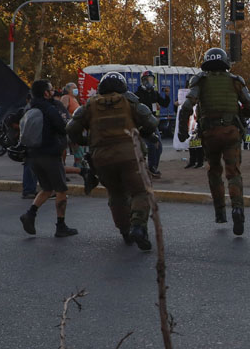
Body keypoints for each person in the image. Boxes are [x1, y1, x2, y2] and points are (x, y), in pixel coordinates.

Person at [67, 72, 158, 250]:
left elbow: (71, 129)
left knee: (116, 195)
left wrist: (88, 141)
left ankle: (125, 230)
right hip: (131, 156)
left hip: (102, 159)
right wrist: (144, 133)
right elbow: (151, 123)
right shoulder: (129, 101)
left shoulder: (89, 105)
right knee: (141, 192)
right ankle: (138, 226)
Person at [177, 47, 250, 235]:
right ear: (225, 62)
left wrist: (181, 132)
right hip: (231, 133)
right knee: (233, 172)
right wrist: (241, 116)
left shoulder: (200, 81)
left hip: (209, 134)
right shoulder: (235, 81)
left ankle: (220, 212)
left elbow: (187, 106)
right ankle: (237, 209)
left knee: (214, 172)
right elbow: (249, 105)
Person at [19, 79, 78, 238]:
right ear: (46, 93)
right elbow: (62, 126)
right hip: (50, 154)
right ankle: (61, 225)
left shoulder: (30, 107)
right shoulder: (50, 108)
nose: (53, 92)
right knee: (61, 190)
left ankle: (29, 215)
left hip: (33, 155)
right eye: (51, 90)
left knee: (47, 188)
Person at [134, 71, 170, 177]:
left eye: (150, 79)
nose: (149, 82)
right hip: (142, 124)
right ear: (142, 81)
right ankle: (148, 168)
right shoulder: (138, 94)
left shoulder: (154, 93)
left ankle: (153, 167)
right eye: (146, 80)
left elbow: (165, 103)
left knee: (159, 147)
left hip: (153, 123)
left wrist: (167, 95)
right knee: (151, 146)